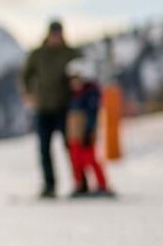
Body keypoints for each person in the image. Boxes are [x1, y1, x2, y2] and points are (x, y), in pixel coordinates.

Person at [19, 20, 81, 198]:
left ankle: (79, 183)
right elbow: (25, 74)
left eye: (59, 34)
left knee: (70, 146)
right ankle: (49, 185)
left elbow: (82, 71)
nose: (56, 37)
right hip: (43, 107)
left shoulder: (70, 53)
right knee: (44, 148)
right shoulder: (38, 54)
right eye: (54, 34)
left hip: (64, 107)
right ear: (48, 34)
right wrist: (27, 92)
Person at [65, 60, 114, 198]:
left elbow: (93, 114)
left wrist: (89, 130)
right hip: (74, 133)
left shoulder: (90, 94)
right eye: (72, 80)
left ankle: (102, 184)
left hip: (86, 133)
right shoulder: (74, 95)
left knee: (91, 159)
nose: (73, 83)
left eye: (77, 79)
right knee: (76, 159)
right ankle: (79, 184)